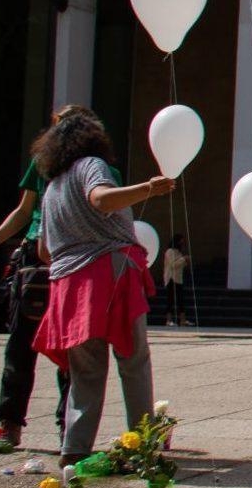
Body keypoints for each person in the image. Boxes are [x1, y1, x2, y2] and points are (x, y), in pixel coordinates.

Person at [30, 111, 171, 467]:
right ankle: (144, 444)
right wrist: (148, 189)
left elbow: (44, 250)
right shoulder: (90, 166)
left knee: (86, 371)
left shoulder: (52, 187)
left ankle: (74, 448)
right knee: (133, 359)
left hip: (67, 285)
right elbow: (101, 199)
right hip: (108, 272)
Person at [0, 105, 99, 447]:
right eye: (59, 124)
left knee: (72, 351)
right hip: (35, 263)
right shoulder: (42, 164)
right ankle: (10, 424)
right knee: (21, 345)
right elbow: (24, 212)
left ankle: (70, 428)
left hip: (75, 260)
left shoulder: (98, 168)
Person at [160, 235, 190, 326]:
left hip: (178, 279)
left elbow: (179, 265)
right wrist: (183, 259)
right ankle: (168, 320)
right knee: (170, 300)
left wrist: (185, 262)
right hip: (171, 279)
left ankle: (182, 320)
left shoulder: (179, 252)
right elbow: (173, 265)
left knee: (181, 300)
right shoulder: (170, 252)